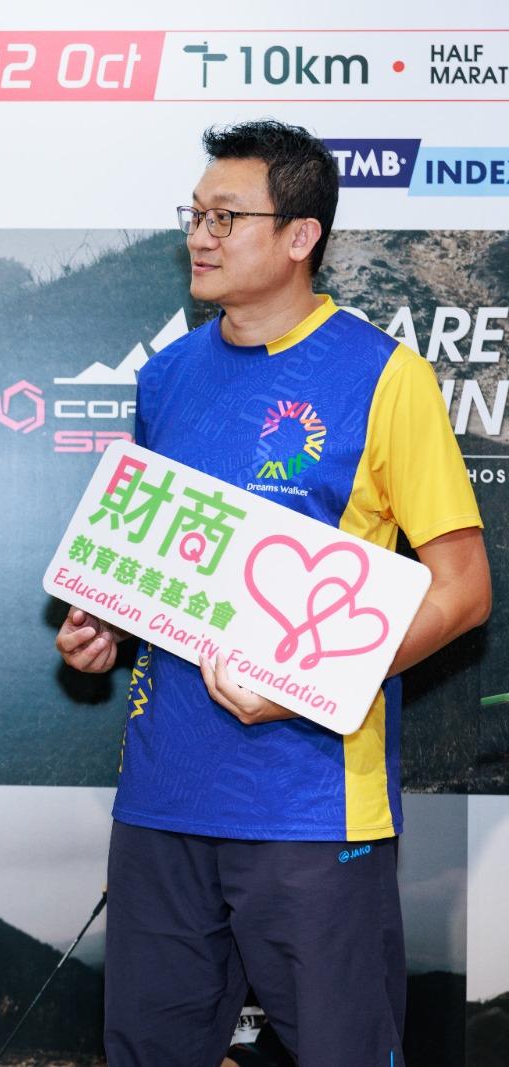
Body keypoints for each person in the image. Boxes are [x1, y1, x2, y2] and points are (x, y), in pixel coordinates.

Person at [55, 120, 491, 1066]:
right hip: (162, 798)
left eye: (226, 217)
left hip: (310, 805)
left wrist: (302, 683)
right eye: (194, 214)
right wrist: (107, 627)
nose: (199, 235)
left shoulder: (385, 376)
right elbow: (165, 573)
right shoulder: (166, 377)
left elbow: (462, 590)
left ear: (301, 235)